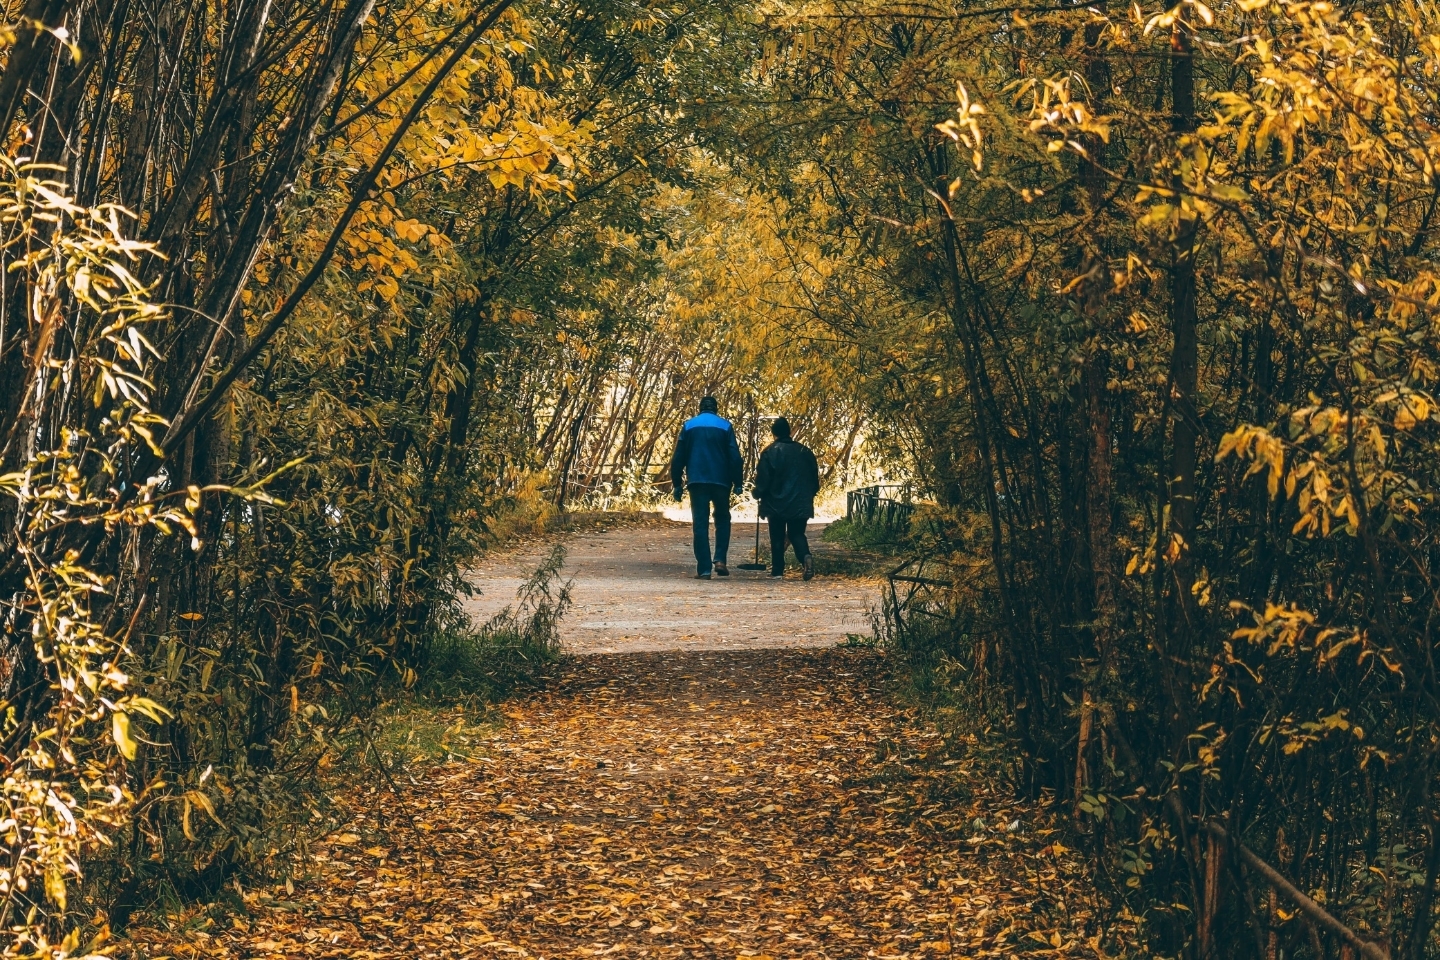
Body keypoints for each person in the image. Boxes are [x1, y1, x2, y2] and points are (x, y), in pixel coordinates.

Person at [670, 396, 744, 579]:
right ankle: (720, 559)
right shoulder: (725, 426)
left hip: (697, 481)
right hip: (721, 481)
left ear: (700, 408)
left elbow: (678, 457)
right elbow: (735, 457)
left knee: (700, 524)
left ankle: (703, 569)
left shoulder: (689, 426)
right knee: (723, 519)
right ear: (716, 408)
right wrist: (738, 482)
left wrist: (677, 484)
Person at [751, 416, 820, 580]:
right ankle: (805, 557)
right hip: (801, 503)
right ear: (789, 432)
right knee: (797, 534)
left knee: (777, 535)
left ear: (774, 433)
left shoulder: (769, 452)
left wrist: (758, 492)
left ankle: (777, 571)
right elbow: (815, 482)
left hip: (776, 503)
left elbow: (764, 480)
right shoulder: (805, 452)